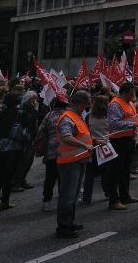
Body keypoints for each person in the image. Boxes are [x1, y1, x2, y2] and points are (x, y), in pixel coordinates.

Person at [56, 90, 102, 239]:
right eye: (87, 103)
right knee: (68, 196)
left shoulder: (76, 116)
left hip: (78, 160)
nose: (88, 106)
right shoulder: (68, 118)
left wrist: (95, 141)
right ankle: (63, 227)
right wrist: (84, 145)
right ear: (81, 103)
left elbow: (83, 134)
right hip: (70, 162)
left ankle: (69, 222)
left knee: (73, 195)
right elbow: (66, 137)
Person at [0, 92, 32, 211]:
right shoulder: (22, 114)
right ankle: (5, 202)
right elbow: (29, 128)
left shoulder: (0, 113)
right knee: (9, 175)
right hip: (14, 147)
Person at [107, 82, 138, 210]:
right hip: (118, 141)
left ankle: (125, 195)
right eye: (131, 93)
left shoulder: (130, 103)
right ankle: (113, 200)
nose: (133, 96)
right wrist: (131, 125)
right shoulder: (116, 104)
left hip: (128, 139)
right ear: (124, 92)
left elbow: (134, 116)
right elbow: (113, 123)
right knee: (115, 171)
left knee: (126, 170)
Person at [35, 98, 64, 211]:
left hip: (51, 151)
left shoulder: (49, 115)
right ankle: (63, 200)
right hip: (66, 151)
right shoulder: (69, 115)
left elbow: (40, 132)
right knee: (64, 178)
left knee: (50, 178)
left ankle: (46, 201)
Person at [81, 95, 109, 205]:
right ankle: (108, 193)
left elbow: (86, 131)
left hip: (92, 146)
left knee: (90, 173)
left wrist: (94, 140)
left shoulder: (89, 116)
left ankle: (86, 198)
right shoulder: (109, 115)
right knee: (106, 172)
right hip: (106, 146)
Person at [13, 90, 40, 192]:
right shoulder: (24, 110)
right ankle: (16, 182)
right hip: (25, 139)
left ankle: (22, 180)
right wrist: (36, 110)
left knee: (29, 161)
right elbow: (29, 122)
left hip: (31, 137)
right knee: (23, 161)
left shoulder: (31, 109)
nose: (37, 101)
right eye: (35, 99)